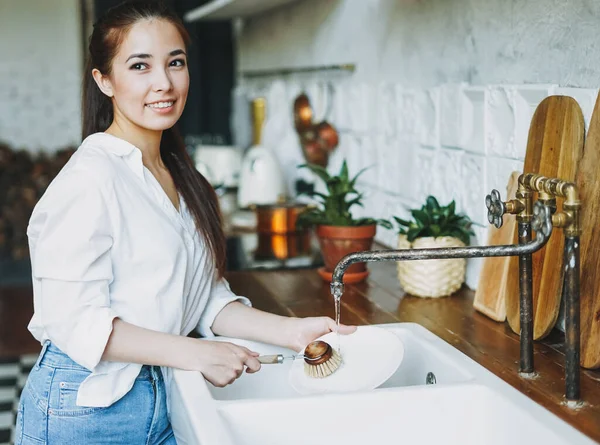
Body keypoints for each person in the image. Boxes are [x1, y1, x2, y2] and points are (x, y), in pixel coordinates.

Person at [14, 1, 356, 444]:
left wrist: (291, 332)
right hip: (87, 409)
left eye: (175, 62)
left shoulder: (182, 177)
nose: (164, 83)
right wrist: (198, 353)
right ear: (104, 81)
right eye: (140, 66)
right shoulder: (91, 177)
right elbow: (73, 320)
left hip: (167, 392)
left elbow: (205, 299)